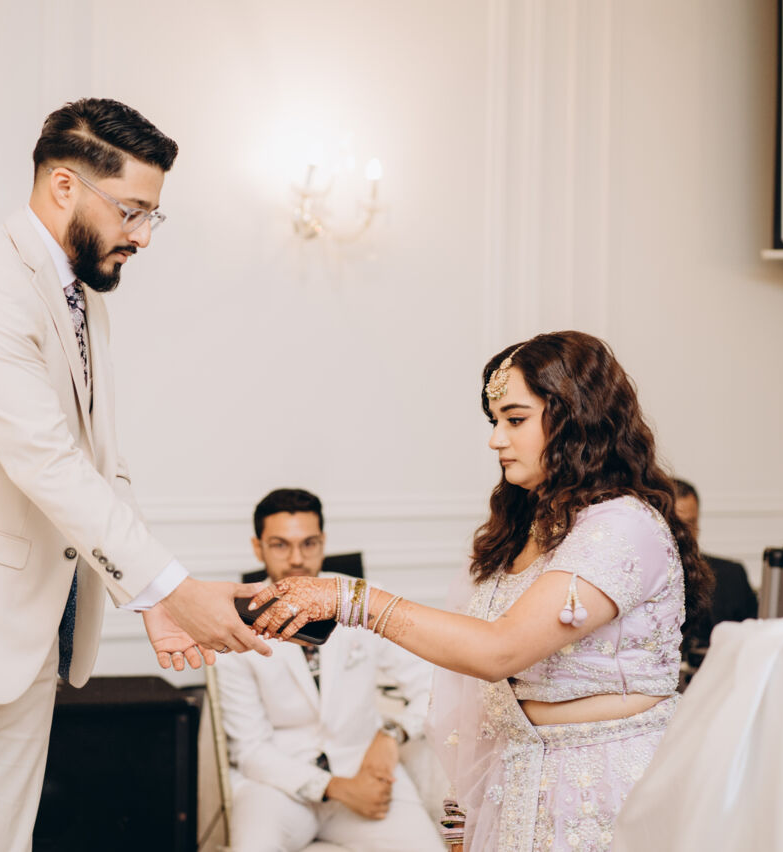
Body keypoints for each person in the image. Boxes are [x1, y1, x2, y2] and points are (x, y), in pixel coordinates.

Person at [0, 98, 270, 852]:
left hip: (25, 638)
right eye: (132, 211)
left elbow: (102, 463)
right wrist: (171, 587)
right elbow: (47, 462)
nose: (142, 236)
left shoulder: (81, 296)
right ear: (65, 186)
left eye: (152, 216)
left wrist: (150, 601)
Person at [248, 331, 713, 851]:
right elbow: (475, 684)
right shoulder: (528, 526)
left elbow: (499, 651)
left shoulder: (622, 525)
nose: (496, 440)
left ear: (574, 418)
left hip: (603, 790)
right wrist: (463, 807)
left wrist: (351, 600)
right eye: (495, 422)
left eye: (515, 420)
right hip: (517, 781)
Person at [216, 489, 442, 852]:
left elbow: (434, 685)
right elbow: (250, 749)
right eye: (280, 545)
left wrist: (391, 735)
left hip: (365, 772)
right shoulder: (233, 622)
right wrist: (336, 788)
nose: (296, 559)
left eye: (309, 543)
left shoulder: (362, 597)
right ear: (258, 548)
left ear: (323, 542)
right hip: (276, 787)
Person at [672, 478, 758, 669]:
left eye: (690, 523)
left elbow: (755, 643)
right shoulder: (640, 579)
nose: (684, 534)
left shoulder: (732, 575)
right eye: (676, 525)